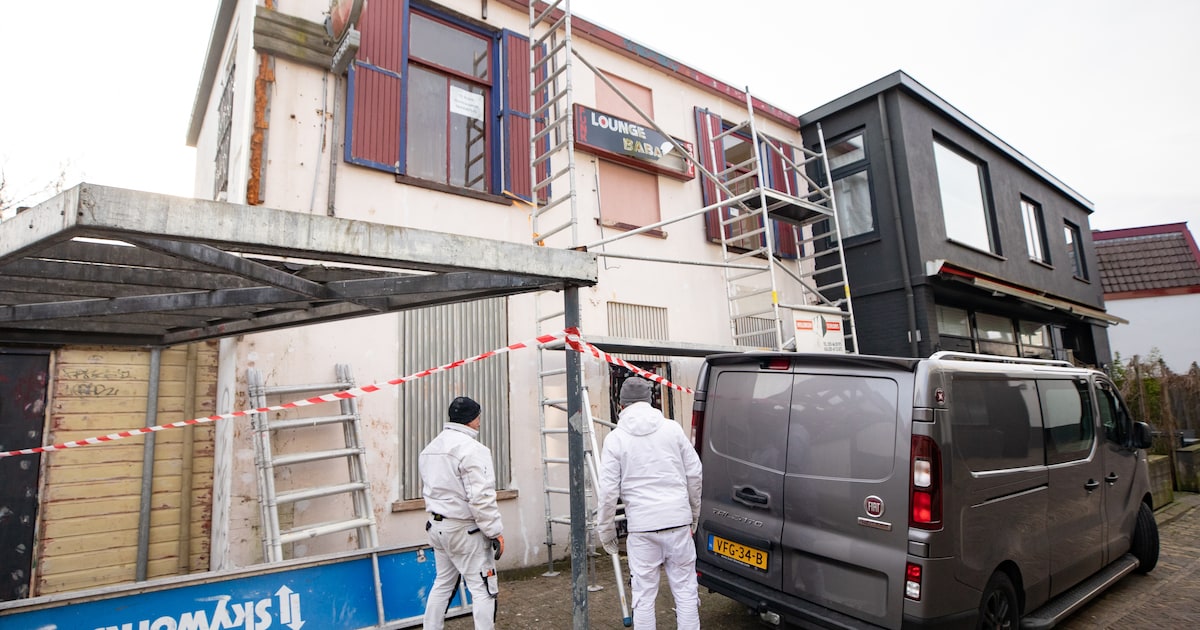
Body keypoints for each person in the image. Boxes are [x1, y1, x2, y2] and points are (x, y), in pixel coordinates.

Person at [597, 377, 704, 630]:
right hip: (678, 522)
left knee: (643, 597)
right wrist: (694, 513)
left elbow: (608, 491)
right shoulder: (673, 429)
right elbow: (694, 473)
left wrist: (606, 531)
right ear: (651, 401)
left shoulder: (615, 439)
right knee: (686, 591)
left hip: (642, 528)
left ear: (621, 405)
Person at [419, 396, 505, 630]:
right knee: (483, 588)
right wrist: (495, 531)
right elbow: (481, 497)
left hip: (437, 527)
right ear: (473, 418)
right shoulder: (474, 450)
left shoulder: (430, 449)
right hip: (465, 531)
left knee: (443, 584)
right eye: (479, 417)